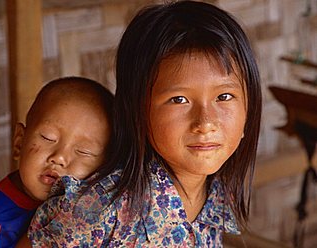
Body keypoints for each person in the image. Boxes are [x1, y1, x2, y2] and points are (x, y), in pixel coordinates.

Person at [26, 1, 262, 247]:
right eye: (178, 100)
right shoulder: (100, 211)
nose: (206, 123)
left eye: (224, 97)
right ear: (138, 110)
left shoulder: (216, 193)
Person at [0, 76, 114, 248]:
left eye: (83, 151)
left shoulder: (100, 206)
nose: (60, 157)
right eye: (47, 138)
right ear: (19, 142)